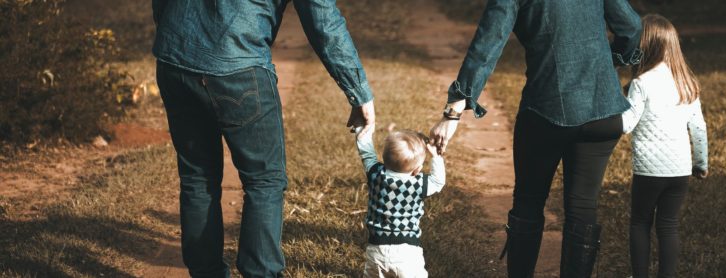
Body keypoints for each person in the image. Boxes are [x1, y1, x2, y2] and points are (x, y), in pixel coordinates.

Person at [152, 1, 375, 277]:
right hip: (239, 67)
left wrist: (172, 31)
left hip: (175, 59)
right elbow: (322, 18)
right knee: (264, 181)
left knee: (197, 177)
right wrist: (358, 91)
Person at [429, 0, 643, 276]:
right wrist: (608, 62)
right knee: (583, 208)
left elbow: (488, 43)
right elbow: (632, 27)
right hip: (603, 110)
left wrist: (453, 111)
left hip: (546, 109)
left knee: (528, 203)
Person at [621, 14, 709, 278]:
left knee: (640, 223)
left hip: (649, 172)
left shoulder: (641, 84)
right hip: (680, 171)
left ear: (644, 46)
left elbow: (626, 124)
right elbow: (699, 128)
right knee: (668, 227)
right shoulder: (687, 84)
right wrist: (700, 164)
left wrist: (614, 101)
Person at [354, 126, 446, 278]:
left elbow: (367, 154)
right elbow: (438, 181)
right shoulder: (419, 184)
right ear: (417, 170)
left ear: (384, 159)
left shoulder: (376, 175)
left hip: (376, 250)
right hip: (407, 253)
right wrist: (436, 157)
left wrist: (361, 130)